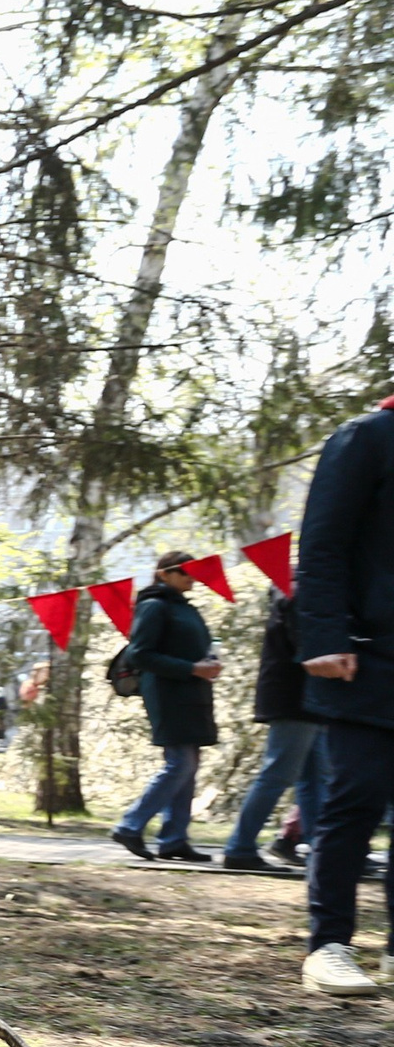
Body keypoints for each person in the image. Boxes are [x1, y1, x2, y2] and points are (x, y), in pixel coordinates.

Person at [295, 399, 394, 996]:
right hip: (365, 658)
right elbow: (322, 543)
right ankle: (329, 945)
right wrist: (326, 638)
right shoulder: (367, 437)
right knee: (354, 799)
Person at [109, 552, 221, 863]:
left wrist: (207, 664)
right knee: (179, 763)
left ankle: (173, 839)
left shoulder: (187, 609)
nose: (191, 577)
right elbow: (140, 654)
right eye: (184, 571)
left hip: (193, 692)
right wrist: (190, 668)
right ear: (163, 573)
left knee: (189, 765)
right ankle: (130, 825)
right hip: (167, 693)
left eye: (193, 572)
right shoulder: (152, 606)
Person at [221, 590, 322, 874]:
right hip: (295, 700)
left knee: (315, 780)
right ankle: (239, 848)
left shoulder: (299, 595)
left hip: (309, 701)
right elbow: (309, 649)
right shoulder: (298, 597)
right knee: (278, 775)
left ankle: (324, 852)